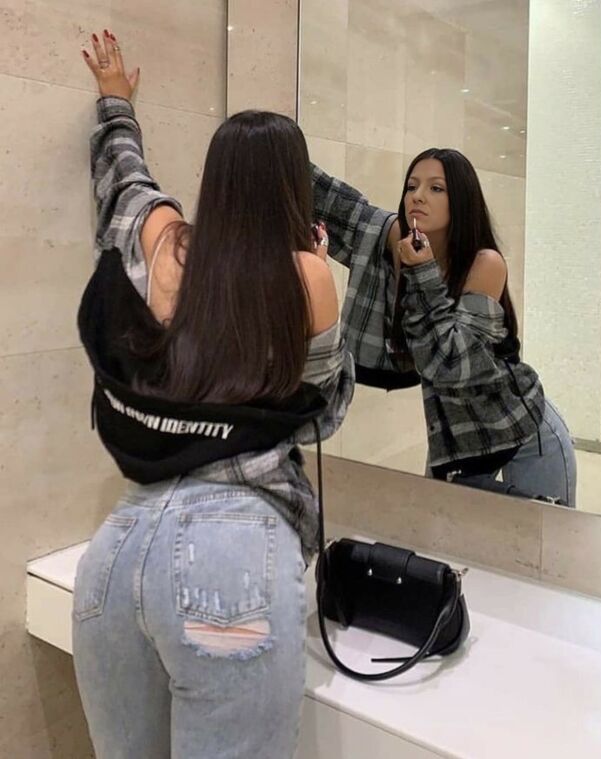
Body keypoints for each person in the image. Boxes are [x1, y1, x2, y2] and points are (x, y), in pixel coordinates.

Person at [73, 31, 353, 759]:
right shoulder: (306, 275)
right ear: (294, 188)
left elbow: (125, 182)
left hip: (118, 548)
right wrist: (316, 271)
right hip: (231, 552)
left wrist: (115, 103)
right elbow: (322, 411)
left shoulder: (168, 246)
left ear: (215, 180)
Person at [311, 149, 576, 506]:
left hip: (525, 434)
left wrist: (422, 272)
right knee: (439, 531)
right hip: (455, 440)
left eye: (436, 188)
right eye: (411, 186)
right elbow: (334, 203)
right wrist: (274, 150)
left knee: (549, 539)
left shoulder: (485, 263)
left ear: (461, 201)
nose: (418, 196)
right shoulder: (395, 240)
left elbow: (449, 364)